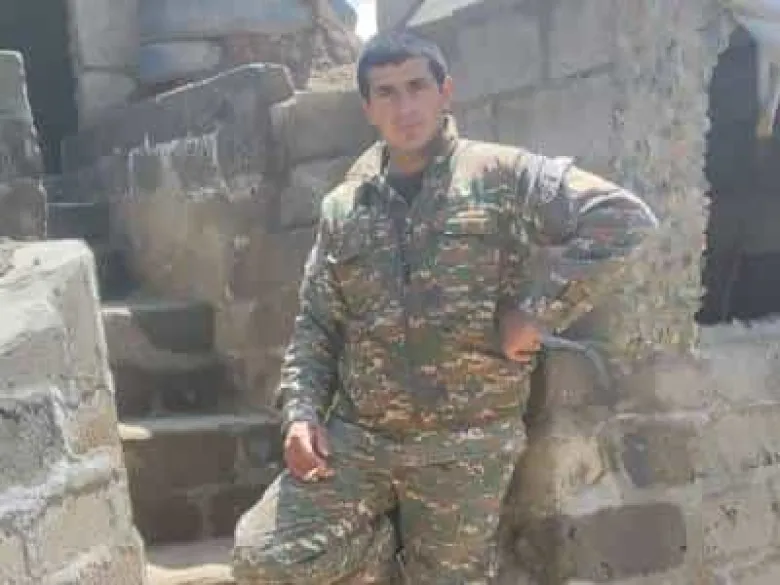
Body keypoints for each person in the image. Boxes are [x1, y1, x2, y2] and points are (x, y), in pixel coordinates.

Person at [233, 30, 659, 585]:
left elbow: (624, 219)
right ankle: (385, 554)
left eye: (417, 86)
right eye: (386, 92)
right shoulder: (345, 208)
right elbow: (317, 326)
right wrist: (300, 415)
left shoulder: (503, 176)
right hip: (360, 443)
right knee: (263, 559)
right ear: (368, 108)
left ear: (445, 92)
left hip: (464, 447)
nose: (404, 106)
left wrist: (538, 312)